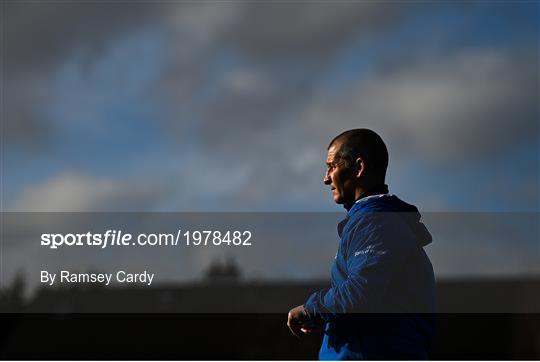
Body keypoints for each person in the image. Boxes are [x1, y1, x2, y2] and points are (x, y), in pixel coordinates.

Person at [287, 129, 436, 360]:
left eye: (332, 166)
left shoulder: (375, 223)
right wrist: (328, 318)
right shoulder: (377, 222)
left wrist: (311, 309)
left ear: (358, 168)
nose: (326, 178)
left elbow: (360, 294)